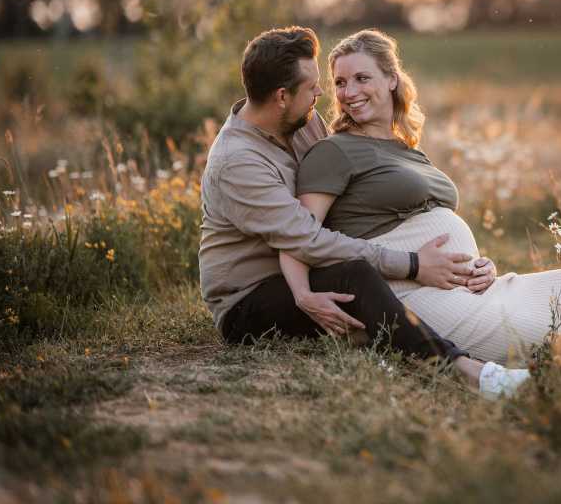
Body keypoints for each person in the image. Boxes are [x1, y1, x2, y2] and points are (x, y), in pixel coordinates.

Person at [198, 26, 529, 399]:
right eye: (311, 87)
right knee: (357, 274)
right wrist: (413, 264)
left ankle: (394, 343)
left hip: (304, 271)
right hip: (250, 300)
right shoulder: (238, 161)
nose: (322, 94)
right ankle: (467, 371)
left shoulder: (302, 124)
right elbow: (306, 237)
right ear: (280, 96)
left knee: (361, 272)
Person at [279, 28, 561, 366]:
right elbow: (300, 235)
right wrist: (301, 295)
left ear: (391, 79)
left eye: (361, 78)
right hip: (406, 293)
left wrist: (480, 265)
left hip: (466, 288)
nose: (348, 91)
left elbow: (438, 225)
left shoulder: (407, 149)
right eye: (340, 82)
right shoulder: (333, 152)